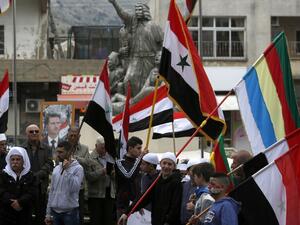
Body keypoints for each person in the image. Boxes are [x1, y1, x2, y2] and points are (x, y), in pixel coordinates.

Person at [108, 0, 163, 97]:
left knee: (145, 84)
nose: (137, 12)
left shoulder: (154, 26)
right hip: (135, 59)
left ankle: (144, 106)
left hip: (149, 59)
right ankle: (131, 104)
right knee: (128, 80)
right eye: (136, 10)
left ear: (145, 11)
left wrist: (160, 56)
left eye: (139, 9)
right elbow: (123, 14)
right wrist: (114, 3)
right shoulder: (134, 24)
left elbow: (162, 43)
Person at [118, 152, 183, 225]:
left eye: (169, 164)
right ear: (160, 164)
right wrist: (127, 212)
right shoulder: (156, 181)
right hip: (156, 221)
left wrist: (168, 222)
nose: (166, 166)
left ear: (174, 167)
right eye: (164, 163)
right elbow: (143, 198)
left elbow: (175, 206)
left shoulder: (177, 182)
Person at [45, 141, 84, 225]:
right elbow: (52, 191)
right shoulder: (56, 169)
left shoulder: (78, 168)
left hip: (70, 213)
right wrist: (48, 213)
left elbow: (75, 188)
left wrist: (67, 171)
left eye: (61, 152)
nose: (58, 154)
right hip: (55, 212)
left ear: (69, 152)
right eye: (57, 152)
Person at [23, 124, 53, 225]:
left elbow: (49, 164)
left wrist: (38, 175)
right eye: (31, 132)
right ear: (27, 134)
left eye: (36, 131)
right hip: (25, 188)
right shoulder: (21, 148)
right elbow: (19, 165)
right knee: (26, 216)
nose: (34, 133)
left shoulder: (47, 148)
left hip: (41, 188)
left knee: (41, 216)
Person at [0, 147, 37, 225]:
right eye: (12, 159)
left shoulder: (30, 175)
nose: (15, 162)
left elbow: (33, 193)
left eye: (18, 159)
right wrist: (13, 202)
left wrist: (20, 202)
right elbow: (2, 191)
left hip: (24, 214)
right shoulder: (3, 174)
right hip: (6, 215)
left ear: (24, 161)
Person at [85, 136, 116, 225]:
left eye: (106, 147)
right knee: (96, 220)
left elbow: (117, 177)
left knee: (108, 220)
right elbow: (89, 177)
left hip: (110, 193)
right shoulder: (90, 158)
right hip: (95, 195)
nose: (105, 150)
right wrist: (102, 171)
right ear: (96, 146)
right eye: (102, 148)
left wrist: (114, 174)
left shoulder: (111, 157)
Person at [115, 136, 146, 219]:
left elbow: (138, 185)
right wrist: (139, 159)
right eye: (138, 148)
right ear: (130, 148)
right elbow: (129, 176)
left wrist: (139, 203)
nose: (140, 151)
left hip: (135, 204)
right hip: (123, 206)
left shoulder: (138, 163)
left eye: (141, 148)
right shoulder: (119, 162)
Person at [66, 126, 90, 225]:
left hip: (79, 187)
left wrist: (75, 158)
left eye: (75, 135)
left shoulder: (85, 148)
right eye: (71, 135)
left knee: (79, 212)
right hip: (65, 186)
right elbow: (59, 161)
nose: (73, 137)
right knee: (66, 212)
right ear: (67, 135)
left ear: (79, 136)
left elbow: (87, 163)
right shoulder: (63, 147)